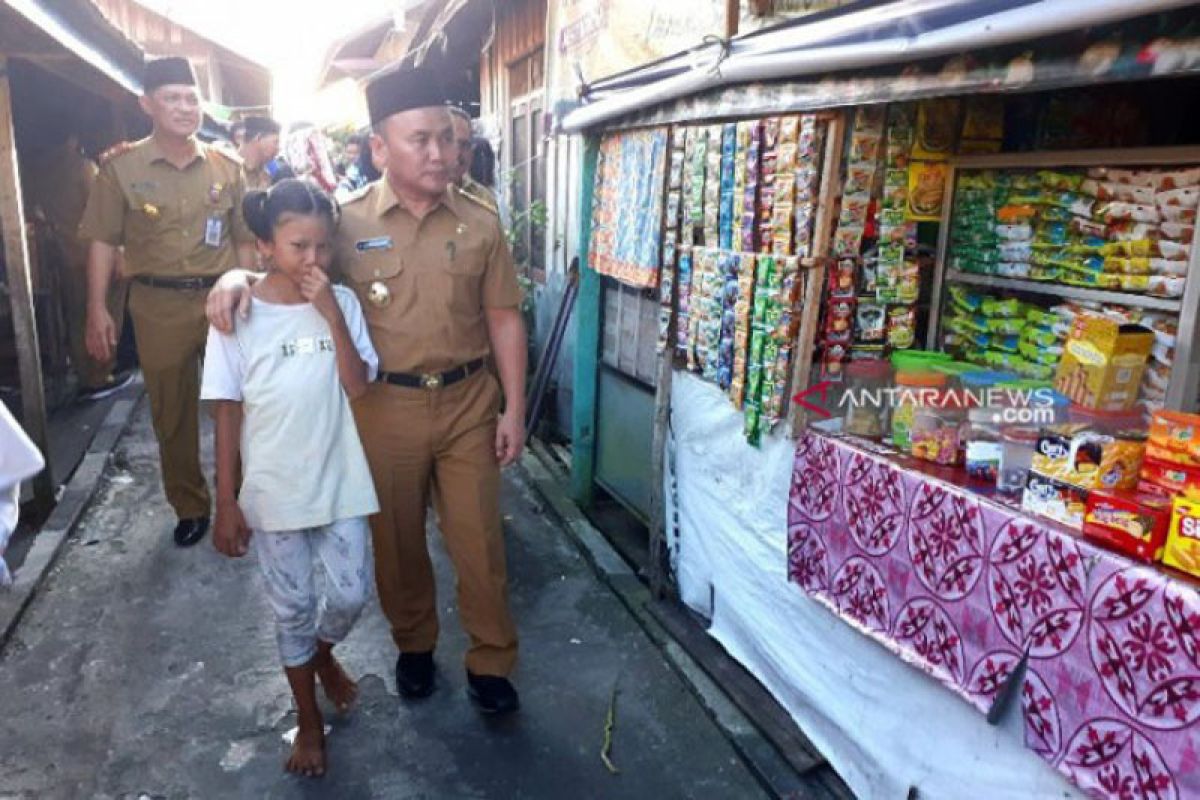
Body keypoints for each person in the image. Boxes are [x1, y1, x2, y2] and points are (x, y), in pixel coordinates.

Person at [207, 65, 528, 715]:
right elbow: (292, 258)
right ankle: (414, 646)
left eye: (446, 137)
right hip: (386, 406)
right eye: (419, 140)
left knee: (478, 542)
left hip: (470, 401)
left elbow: (503, 314)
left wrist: (515, 408)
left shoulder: (481, 216)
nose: (438, 153)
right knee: (398, 541)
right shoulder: (348, 222)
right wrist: (235, 275)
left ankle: (491, 661)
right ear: (380, 148)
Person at [201, 179, 378, 777]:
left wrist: (330, 313)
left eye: (322, 247)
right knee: (292, 606)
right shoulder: (237, 315)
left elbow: (357, 385)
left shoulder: (343, 303)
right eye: (298, 245)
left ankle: (322, 657)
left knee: (352, 593)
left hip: (340, 476)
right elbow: (226, 411)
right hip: (273, 490)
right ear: (264, 247)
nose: (313, 260)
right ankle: (308, 719)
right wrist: (225, 501)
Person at [79, 56, 257, 548]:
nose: (185, 108)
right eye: (173, 98)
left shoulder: (228, 167)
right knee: (171, 411)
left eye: (192, 98)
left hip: (223, 299)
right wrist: (98, 308)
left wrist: (248, 291)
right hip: (156, 304)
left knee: (236, 402)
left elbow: (245, 239)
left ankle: (238, 497)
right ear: (147, 105)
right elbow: (99, 240)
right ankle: (191, 504)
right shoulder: (120, 169)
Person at [24, 124, 132, 400]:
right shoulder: (83, 167)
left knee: (77, 316)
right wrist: (120, 250)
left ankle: (85, 374)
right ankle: (99, 376)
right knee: (107, 313)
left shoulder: (34, 174)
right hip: (98, 253)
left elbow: (33, 213)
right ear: (71, 139)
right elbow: (105, 214)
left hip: (66, 255)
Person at [447, 106, 497, 213]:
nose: (457, 153)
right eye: (449, 142)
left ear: (471, 150)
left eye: (464, 144)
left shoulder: (484, 199)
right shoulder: (414, 200)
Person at [238, 116, 282, 190]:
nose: (278, 148)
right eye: (275, 142)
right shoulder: (230, 170)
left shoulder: (266, 175)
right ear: (258, 138)